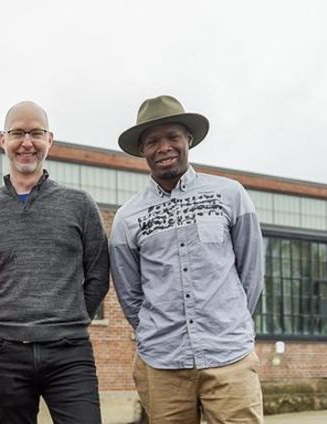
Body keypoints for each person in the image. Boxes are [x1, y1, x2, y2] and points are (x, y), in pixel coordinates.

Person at [111, 95, 264, 423]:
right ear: (142, 150)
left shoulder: (230, 194)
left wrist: (229, 320)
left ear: (188, 140)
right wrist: (156, 330)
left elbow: (251, 271)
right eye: (153, 141)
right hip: (163, 364)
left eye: (172, 137)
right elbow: (129, 293)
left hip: (230, 358)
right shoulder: (127, 218)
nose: (163, 147)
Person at [0, 101, 109, 424]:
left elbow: (98, 273)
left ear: (49, 140)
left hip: (70, 352)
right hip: (4, 353)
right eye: (18, 133)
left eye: (36, 133)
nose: (27, 142)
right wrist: (9, 320)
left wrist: (70, 316)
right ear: (3, 141)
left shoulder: (79, 205)